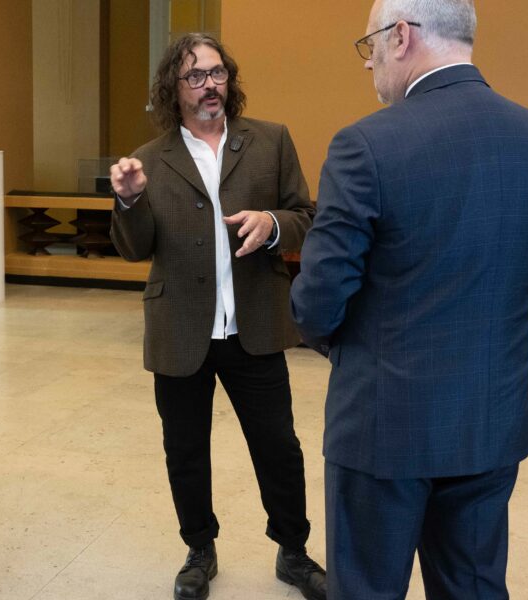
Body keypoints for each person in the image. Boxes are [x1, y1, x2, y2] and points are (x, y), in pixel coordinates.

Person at [289, 0, 528, 596]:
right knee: (472, 587)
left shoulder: (365, 144)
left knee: (367, 588)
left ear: (401, 36)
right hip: (491, 416)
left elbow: (317, 298)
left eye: (369, 46)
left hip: (383, 422)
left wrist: (352, 350)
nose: (368, 64)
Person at [108, 32, 324, 600]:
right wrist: (129, 200)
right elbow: (134, 248)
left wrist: (273, 225)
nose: (210, 85)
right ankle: (199, 550)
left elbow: (305, 215)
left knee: (278, 446)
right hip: (181, 329)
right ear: (173, 89)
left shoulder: (271, 141)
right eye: (195, 76)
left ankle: (294, 551)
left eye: (218, 72)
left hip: (255, 324)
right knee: (185, 450)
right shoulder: (149, 160)